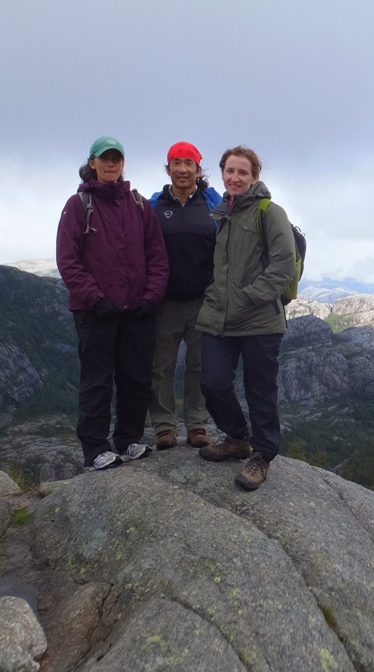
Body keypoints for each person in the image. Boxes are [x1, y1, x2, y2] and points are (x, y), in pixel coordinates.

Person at [56, 136, 169, 470]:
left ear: (122, 164)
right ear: (92, 163)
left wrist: (150, 297)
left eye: (116, 159)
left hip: (136, 309)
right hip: (96, 311)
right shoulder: (79, 205)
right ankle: (95, 449)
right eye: (104, 159)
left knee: (137, 378)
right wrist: (95, 298)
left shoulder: (138, 205)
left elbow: (157, 255)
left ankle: (130, 439)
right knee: (97, 380)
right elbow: (67, 260)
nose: (111, 164)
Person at [196, 146, 296, 490]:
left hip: (259, 320)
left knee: (260, 390)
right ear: (222, 175)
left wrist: (248, 297)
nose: (235, 177)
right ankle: (238, 437)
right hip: (219, 317)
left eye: (243, 172)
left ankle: (262, 455)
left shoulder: (269, 213)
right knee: (212, 382)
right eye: (229, 171)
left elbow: (284, 263)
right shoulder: (222, 213)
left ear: (255, 176)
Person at [148, 142, 222, 451]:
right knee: (160, 366)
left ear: (197, 170)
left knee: (200, 366)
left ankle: (196, 425)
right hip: (165, 301)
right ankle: (164, 426)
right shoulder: (153, 206)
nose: (182, 169)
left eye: (188, 163)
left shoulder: (213, 204)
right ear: (168, 169)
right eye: (176, 163)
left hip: (203, 300)